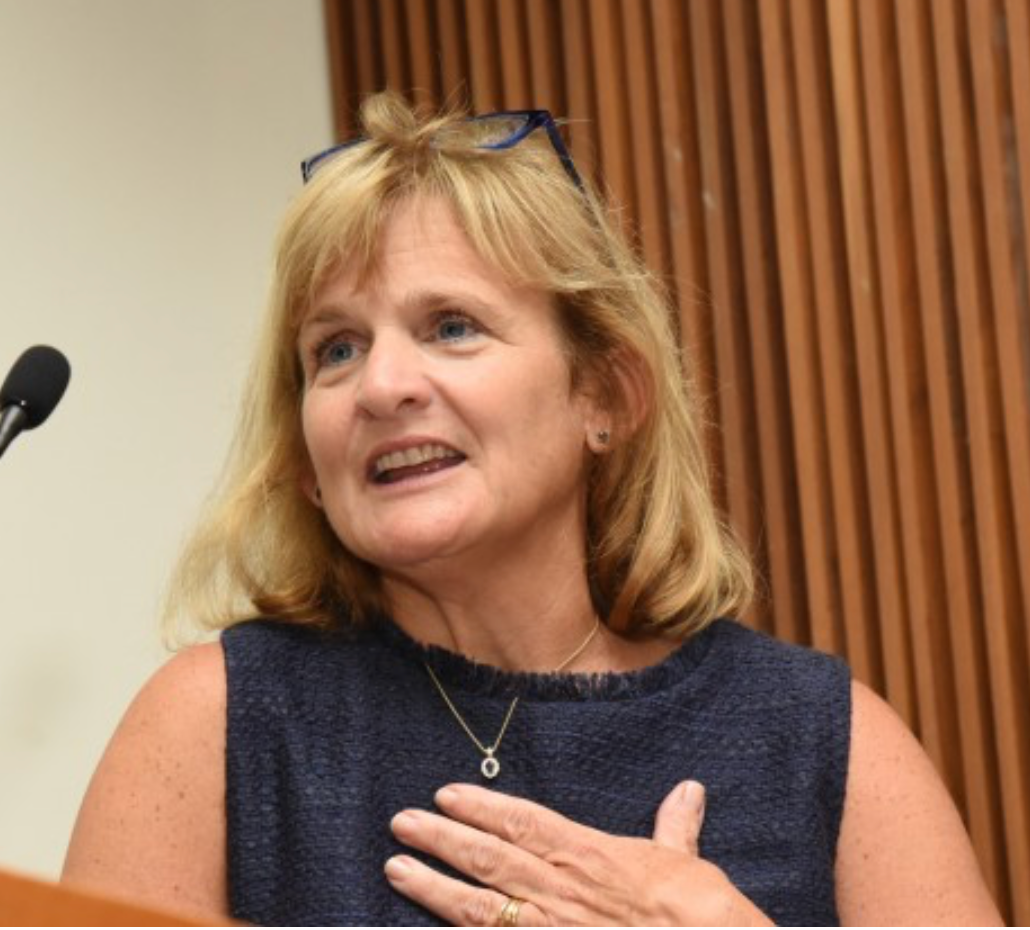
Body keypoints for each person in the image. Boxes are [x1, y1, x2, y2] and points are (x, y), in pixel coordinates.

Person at [61, 92, 1001, 927]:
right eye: (335, 350)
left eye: (452, 327)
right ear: (307, 459)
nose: (381, 385)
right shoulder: (214, 724)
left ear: (606, 395)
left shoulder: (828, 739)